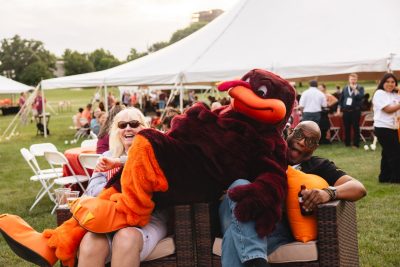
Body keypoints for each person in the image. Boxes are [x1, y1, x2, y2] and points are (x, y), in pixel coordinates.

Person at [219, 121, 367, 267]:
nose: (302, 142)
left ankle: (255, 260)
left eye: (310, 141)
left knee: (234, 234)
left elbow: (358, 188)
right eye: (299, 134)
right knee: (240, 185)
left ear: (315, 148)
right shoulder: (268, 153)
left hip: (273, 227)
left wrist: (329, 193)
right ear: (290, 132)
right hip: (237, 211)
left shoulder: (319, 166)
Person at [79, 107, 168, 267]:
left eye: (134, 123)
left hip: (148, 220)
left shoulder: (156, 154)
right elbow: (92, 191)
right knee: (91, 241)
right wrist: (116, 192)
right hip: (110, 219)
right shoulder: (107, 157)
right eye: (122, 125)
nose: (128, 128)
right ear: (116, 131)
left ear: (145, 129)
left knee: (125, 238)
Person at [372, 73, 400, 183]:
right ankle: (396, 178)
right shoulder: (379, 93)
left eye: (393, 82)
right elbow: (388, 109)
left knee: (387, 153)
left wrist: (395, 88)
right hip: (383, 128)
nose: (390, 84)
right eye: (387, 81)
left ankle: (384, 177)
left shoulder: (394, 94)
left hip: (393, 127)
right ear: (382, 83)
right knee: (395, 153)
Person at [336, 73, 365, 148]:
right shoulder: (345, 88)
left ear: (356, 80)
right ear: (349, 80)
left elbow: (360, 97)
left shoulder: (360, 88)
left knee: (355, 127)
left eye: (354, 79)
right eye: (351, 79)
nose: (353, 81)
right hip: (346, 111)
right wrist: (339, 109)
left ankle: (356, 144)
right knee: (347, 127)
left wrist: (354, 89)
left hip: (355, 111)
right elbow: (341, 99)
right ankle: (347, 143)